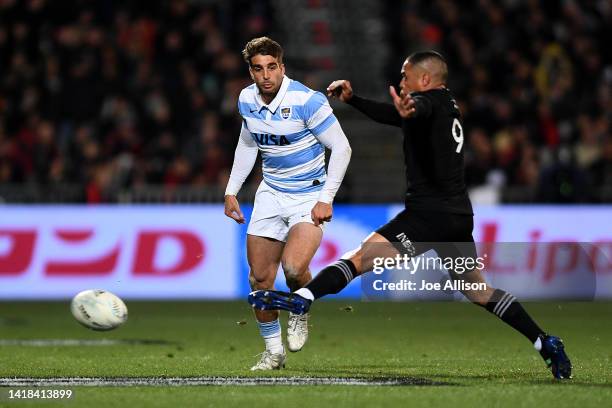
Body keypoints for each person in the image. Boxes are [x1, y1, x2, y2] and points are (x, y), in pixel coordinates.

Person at [248, 51, 572, 379]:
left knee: (359, 258)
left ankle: (304, 296)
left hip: (428, 217)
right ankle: (544, 341)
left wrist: (411, 107)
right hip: (457, 217)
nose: (401, 83)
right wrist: (355, 99)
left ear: (425, 80)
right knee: (476, 290)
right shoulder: (447, 104)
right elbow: (397, 116)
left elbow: (416, 109)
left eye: (405, 77)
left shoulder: (425, 104)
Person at [224, 37, 352, 370]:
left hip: (309, 195)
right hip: (270, 193)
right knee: (259, 279)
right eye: (258, 69)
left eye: (271, 67)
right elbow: (248, 143)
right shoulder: (246, 99)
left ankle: (300, 309)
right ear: (250, 71)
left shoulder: (306, 101)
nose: (266, 75)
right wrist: (231, 190)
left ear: (282, 67)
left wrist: (326, 198)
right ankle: (273, 352)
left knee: (294, 269)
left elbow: (342, 149)